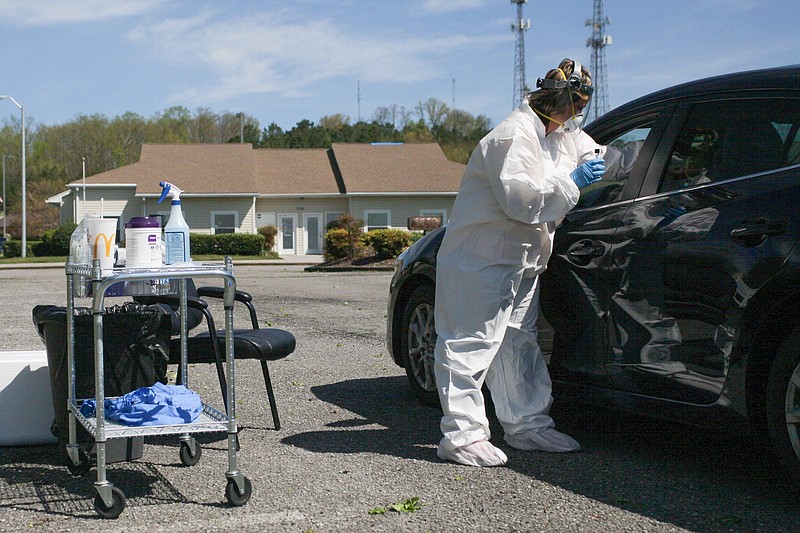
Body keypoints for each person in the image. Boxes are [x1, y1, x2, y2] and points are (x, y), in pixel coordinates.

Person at [433, 59, 606, 467]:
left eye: (579, 109)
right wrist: (573, 182)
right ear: (553, 101)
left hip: (523, 261)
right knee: (469, 343)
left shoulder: (559, 134)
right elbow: (521, 201)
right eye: (572, 108)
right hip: (482, 258)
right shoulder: (512, 136)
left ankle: (527, 425)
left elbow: (597, 151)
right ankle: (461, 436)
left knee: (517, 343)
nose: (575, 117)